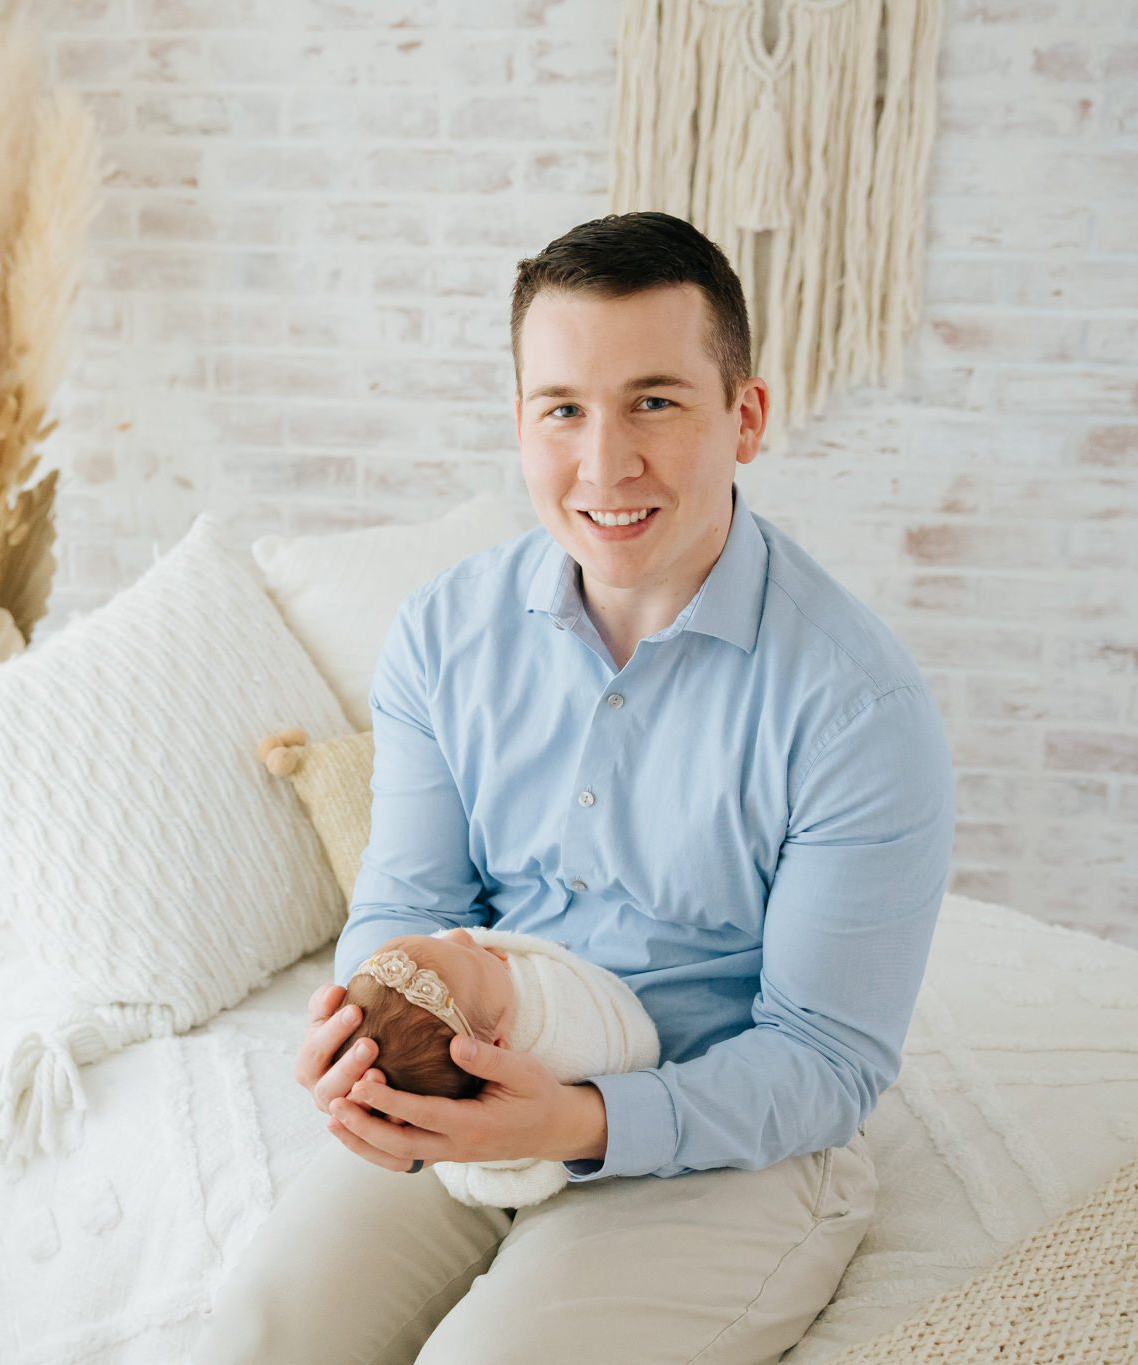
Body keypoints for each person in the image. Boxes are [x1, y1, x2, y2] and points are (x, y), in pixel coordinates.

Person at [194, 211, 955, 1365]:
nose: (604, 464)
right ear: (519, 424)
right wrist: (364, 1033)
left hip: (726, 1132)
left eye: (654, 401)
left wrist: (579, 1124)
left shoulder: (858, 708)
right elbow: (406, 898)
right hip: (475, 1074)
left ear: (743, 417)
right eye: (563, 409)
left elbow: (823, 1059)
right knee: (261, 1331)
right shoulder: (443, 634)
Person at [342, 927, 662, 1210]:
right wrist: (357, 1021)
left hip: (618, 1136)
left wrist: (579, 1125)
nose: (463, 935)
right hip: (415, 1153)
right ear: (497, 1047)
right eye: (472, 954)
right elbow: (401, 905)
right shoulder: (544, 1033)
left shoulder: (486, 1000)